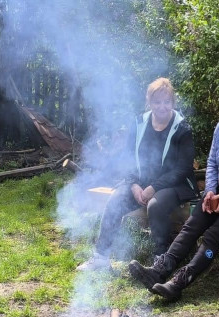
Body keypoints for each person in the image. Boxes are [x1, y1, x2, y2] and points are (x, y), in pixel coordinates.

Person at [128, 81, 219, 301]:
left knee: (214, 235)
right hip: (218, 192)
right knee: (191, 226)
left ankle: (178, 283)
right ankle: (159, 270)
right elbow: (213, 164)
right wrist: (210, 192)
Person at [78, 77, 197, 270]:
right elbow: (128, 158)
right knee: (116, 200)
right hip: (141, 183)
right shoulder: (139, 123)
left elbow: (183, 168)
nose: (162, 107)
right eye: (157, 102)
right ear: (149, 102)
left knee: (156, 206)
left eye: (167, 102)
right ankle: (100, 258)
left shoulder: (182, 129)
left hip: (176, 184)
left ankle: (161, 262)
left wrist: (153, 187)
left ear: (173, 103)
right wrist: (133, 184)